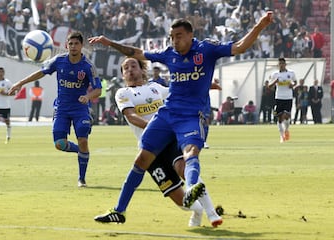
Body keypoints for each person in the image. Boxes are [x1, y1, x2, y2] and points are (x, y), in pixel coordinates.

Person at [89, 12, 273, 224]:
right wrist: (108, 42)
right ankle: (119, 211)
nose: (175, 41)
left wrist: (260, 25)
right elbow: (136, 52)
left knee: (190, 153)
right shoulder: (169, 54)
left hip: (192, 116)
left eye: (179, 36)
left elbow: (239, 47)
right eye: (171, 37)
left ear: (190, 35)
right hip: (167, 115)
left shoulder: (207, 49)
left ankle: (194, 188)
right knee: (141, 160)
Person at [95, 57, 222, 227]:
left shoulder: (155, 88)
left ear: (142, 70)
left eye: (134, 65)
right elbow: (131, 116)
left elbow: (182, 91)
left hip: (170, 141)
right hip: (150, 150)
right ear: (123, 75)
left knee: (183, 169)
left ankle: (212, 213)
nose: (130, 69)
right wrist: (155, 130)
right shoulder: (123, 93)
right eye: (126, 68)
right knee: (181, 201)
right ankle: (197, 212)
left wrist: (206, 85)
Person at [8, 31, 102, 187]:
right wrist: (20, 83)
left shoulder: (88, 66)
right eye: (70, 44)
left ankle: (81, 178)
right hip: (62, 108)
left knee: (83, 139)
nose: (73, 46)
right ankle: (81, 151)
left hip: (80, 109)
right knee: (59, 144)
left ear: (81, 46)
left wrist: (88, 96)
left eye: (76, 44)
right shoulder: (59, 60)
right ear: (66, 45)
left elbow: (98, 89)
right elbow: (41, 72)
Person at [269, 58, 297, 143]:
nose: (281, 65)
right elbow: (269, 86)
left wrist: (292, 85)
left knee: (287, 116)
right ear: (278, 65)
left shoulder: (291, 73)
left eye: (282, 63)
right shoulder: (275, 74)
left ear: (285, 64)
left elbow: (295, 82)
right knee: (280, 118)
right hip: (279, 97)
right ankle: (282, 137)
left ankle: (286, 130)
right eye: (280, 64)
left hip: (288, 97)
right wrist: (275, 82)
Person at [0, 68, 15, 144]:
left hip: (5, 106)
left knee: (7, 122)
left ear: (4, 73)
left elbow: (14, 93)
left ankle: (8, 137)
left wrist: (5, 94)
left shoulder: (7, 82)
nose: (0, 73)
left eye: (1, 72)